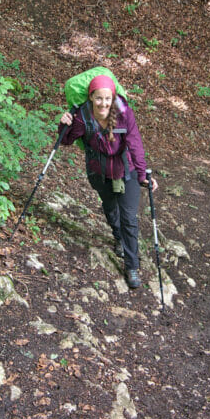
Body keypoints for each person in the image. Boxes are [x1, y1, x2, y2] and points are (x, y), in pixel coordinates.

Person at [59, 73, 157, 289]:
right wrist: (63, 124)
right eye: (98, 98)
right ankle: (117, 238)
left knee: (129, 219)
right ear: (91, 97)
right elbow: (66, 141)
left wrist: (142, 176)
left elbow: (136, 144)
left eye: (107, 98)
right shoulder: (83, 116)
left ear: (113, 99)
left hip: (126, 170)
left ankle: (132, 266)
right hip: (99, 172)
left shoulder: (124, 114)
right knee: (110, 208)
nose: (103, 103)